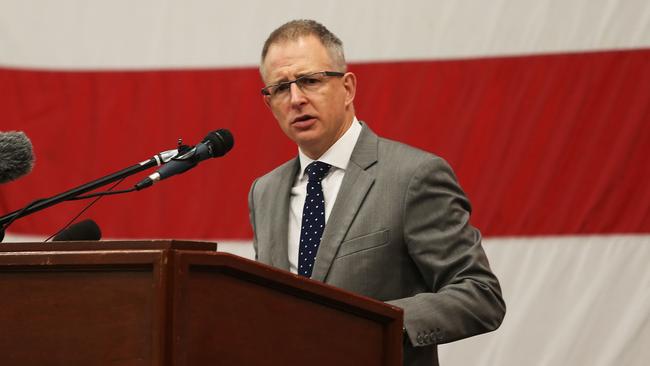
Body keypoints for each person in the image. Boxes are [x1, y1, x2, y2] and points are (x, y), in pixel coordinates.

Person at [248, 19, 505, 366]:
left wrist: (374, 323)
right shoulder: (264, 192)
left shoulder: (412, 176)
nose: (296, 99)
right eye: (280, 88)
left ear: (348, 88)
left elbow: (480, 295)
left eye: (310, 80)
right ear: (269, 104)